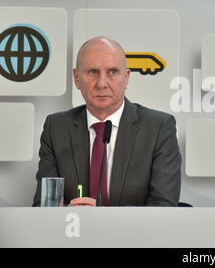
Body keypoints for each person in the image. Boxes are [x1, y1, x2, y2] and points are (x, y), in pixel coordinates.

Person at [33, 36, 181, 207]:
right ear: (76, 78)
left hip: (134, 234)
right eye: (93, 72)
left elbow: (164, 208)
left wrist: (102, 218)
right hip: (73, 232)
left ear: (126, 78)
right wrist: (71, 214)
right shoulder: (56, 128)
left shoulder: (158, 128)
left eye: (112, 72)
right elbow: (44, 206)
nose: (102, 83)